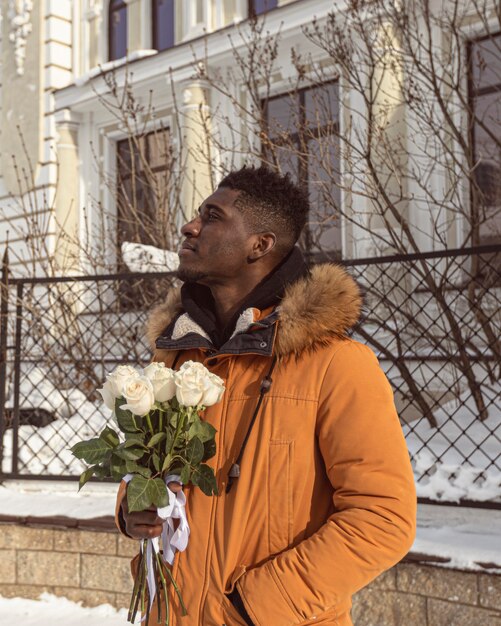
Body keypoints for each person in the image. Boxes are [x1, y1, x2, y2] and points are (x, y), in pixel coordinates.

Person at [115, 165, 416, 626]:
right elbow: (147, 475)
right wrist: (133, 506)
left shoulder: (336, 363)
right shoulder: (174, 359)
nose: (189, 227)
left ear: (261, 244)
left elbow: (383, 518)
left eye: (212, 217)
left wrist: (256, 606)